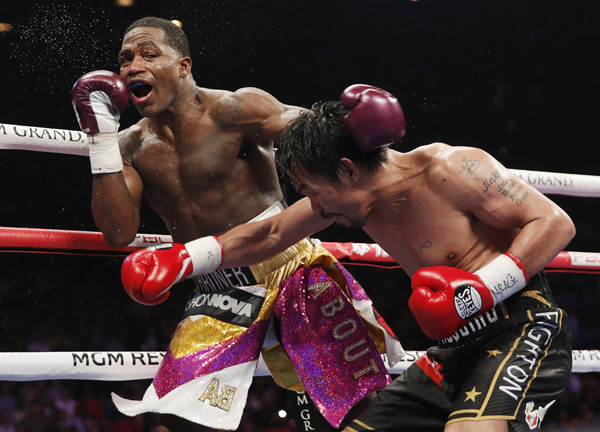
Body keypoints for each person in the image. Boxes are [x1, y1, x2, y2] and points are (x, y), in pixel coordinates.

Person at [123, 84, 575, 431]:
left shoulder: (451, 168)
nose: (315, 206)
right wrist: (185, 259)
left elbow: (555, 223)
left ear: (346, 169)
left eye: (312, 191)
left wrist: (480, 290)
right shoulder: (350, 197)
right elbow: (272, 231)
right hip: (456, 346)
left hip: (522, 325)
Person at [71, 17, 401, 432]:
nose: (132, 65)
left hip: (289, 268)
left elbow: (313, 134)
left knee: (353, 408)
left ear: (184, 66)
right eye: (125, 59)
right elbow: (118, 232)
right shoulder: (131, 146)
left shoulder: (236, 109)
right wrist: (99, 141)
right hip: (216, 289)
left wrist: (356, 124)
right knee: (177, 419)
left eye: (148, 54)